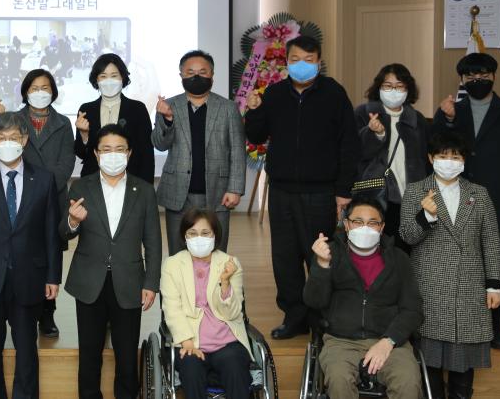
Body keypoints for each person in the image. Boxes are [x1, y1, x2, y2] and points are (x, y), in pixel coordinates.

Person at [244, 35, 360, 339]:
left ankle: (322, 318)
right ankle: (294, 316)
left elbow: (349, 144)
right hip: (281, 190)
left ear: (319, 62)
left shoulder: (334, 93)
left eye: (309, 60)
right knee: (285, 258)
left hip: (320, 192)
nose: (302, 65)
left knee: (319, 255)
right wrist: (254, 110)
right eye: (296, 59)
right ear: (286, 61)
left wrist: (343, 190)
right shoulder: (274, 94)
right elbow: (256, 136)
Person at [432, 52, 500, 350]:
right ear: (462, 80)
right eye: (471, 76)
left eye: (483, 75)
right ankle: (457, 323)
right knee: (456, 263)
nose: (477, 80)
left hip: (498, 202)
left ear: (494, 76)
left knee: (494, 265)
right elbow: (435, 148)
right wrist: (445, 119)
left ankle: (494, 327)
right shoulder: (452, 111)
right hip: (455, 199)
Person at [0, 112, 62, 399]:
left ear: (25, 140)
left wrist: (53, 276)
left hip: (29, 276)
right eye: (1, 138)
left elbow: (50, 232)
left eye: (13, 138)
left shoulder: (44, 179)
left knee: (27, 350)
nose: (7, 143)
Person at [399, 131, 500, 399]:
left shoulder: (479, 194)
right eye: (443, 156)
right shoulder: (415, 191)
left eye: (455, 157)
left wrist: (494, 285)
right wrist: (426, 216)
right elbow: (407, 236)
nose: (449, 162)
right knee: (430, 359)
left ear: (464, 160)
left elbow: (491, 242)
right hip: (429, 286)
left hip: (469, 285)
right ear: (430, 158)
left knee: (464, 356)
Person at [61, 123, 161, 399]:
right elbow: (63, 233)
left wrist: (151, 283)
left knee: (127, 356)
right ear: (96, 153)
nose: (113, 155)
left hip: (129, 281)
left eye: (119, 149)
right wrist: (72, 221)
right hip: (89, 281)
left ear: (129, 153)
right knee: (89, 354)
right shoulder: (81, 186)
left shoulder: (144, 190)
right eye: (106, 149)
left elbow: (153, 242)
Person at [303, 197, 424, 399]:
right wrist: (322, 265)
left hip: (390, 341)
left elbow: (413, 309)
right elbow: (314, 302)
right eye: (358, 222)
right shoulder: (329, 253)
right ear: (347, 224)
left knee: (408, 382)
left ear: (382, 227)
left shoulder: (399, 259)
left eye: (372, 223)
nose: (365, 228)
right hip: (341, 340)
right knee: (339, 380)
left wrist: (388, 341)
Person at [153, 49, 247, 255]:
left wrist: (235, 188)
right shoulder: (168, 106)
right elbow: (159, 144)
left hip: (218, 193)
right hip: (178, 193)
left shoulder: (228, 108)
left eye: (203, 72)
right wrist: (167, 119)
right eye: (190, 72)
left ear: (212, 75)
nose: (196, 77)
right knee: (178, 255)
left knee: (216, 253)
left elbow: (238, 150)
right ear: (181, 75)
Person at [160, 209, 253, 399]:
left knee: (235, 367)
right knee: (191, 368)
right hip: (190, 340)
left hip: (226, 341)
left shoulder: (230, 263)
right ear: (184, 236)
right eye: (192, 233)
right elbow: (172, 309)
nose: (199, 238)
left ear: (215, 235)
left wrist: (225, 282)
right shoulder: (172, 265)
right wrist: (187, 341)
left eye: (205, 233)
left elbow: (233, 313)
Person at [15, 69, 76, 338]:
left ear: (53, 91)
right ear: (26, 91)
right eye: (34, 88)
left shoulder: (63, 123)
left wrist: (47, 187)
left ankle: (48, 313)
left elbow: (67, 161)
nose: (40, 92)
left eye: (45, 87)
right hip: (21, 195)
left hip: (54, 196)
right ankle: (23, 308)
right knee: (23, 251)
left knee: (51, 252)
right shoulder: (14, 120)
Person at [354, 63, 430, 253]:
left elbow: (426, 157)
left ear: (408, 89)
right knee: (377, 251)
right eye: (387, 86)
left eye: (399, 86)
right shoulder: (363, 113)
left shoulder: (417, 119)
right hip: (376, 195)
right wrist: (374, 133)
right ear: (378, 87)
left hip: (411, 197)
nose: (393, 91)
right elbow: (356, 154)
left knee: (406, 252)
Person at [74, 53, 155, 184]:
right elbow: (81, 153)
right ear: (96, 80)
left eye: (114, 76)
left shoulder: (137, 109)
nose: (109, 81)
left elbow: (146, 154)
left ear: (122, 77)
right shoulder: (86, 109)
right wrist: (84, 136)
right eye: (103, 76)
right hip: (93, 182)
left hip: (130, 180)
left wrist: (146, 188)